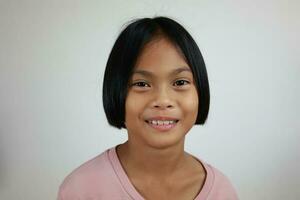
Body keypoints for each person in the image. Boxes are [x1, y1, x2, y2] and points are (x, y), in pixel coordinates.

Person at [57, 16, 238, 200]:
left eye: (180, 82)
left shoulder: (222, 192)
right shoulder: (81, 190)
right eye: (142, 84)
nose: (163, 100)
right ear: (116, 90)